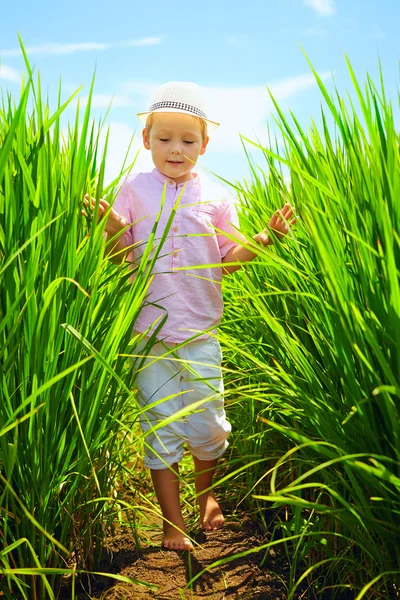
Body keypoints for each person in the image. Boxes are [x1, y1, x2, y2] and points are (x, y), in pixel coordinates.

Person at [85, 81, 296, 552]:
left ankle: (206, 495)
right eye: (164, 139)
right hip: (149, 332)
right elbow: (122, 259)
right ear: (146, 140)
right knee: (159, 425)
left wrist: (264, 239)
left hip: (201, 331)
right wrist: (110, 229)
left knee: (209, 424)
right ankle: (172, 522)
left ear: (204, 144)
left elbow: (227, 259)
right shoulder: (134, 190)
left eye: (188, 140)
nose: (175, 149)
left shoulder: (217, 195)